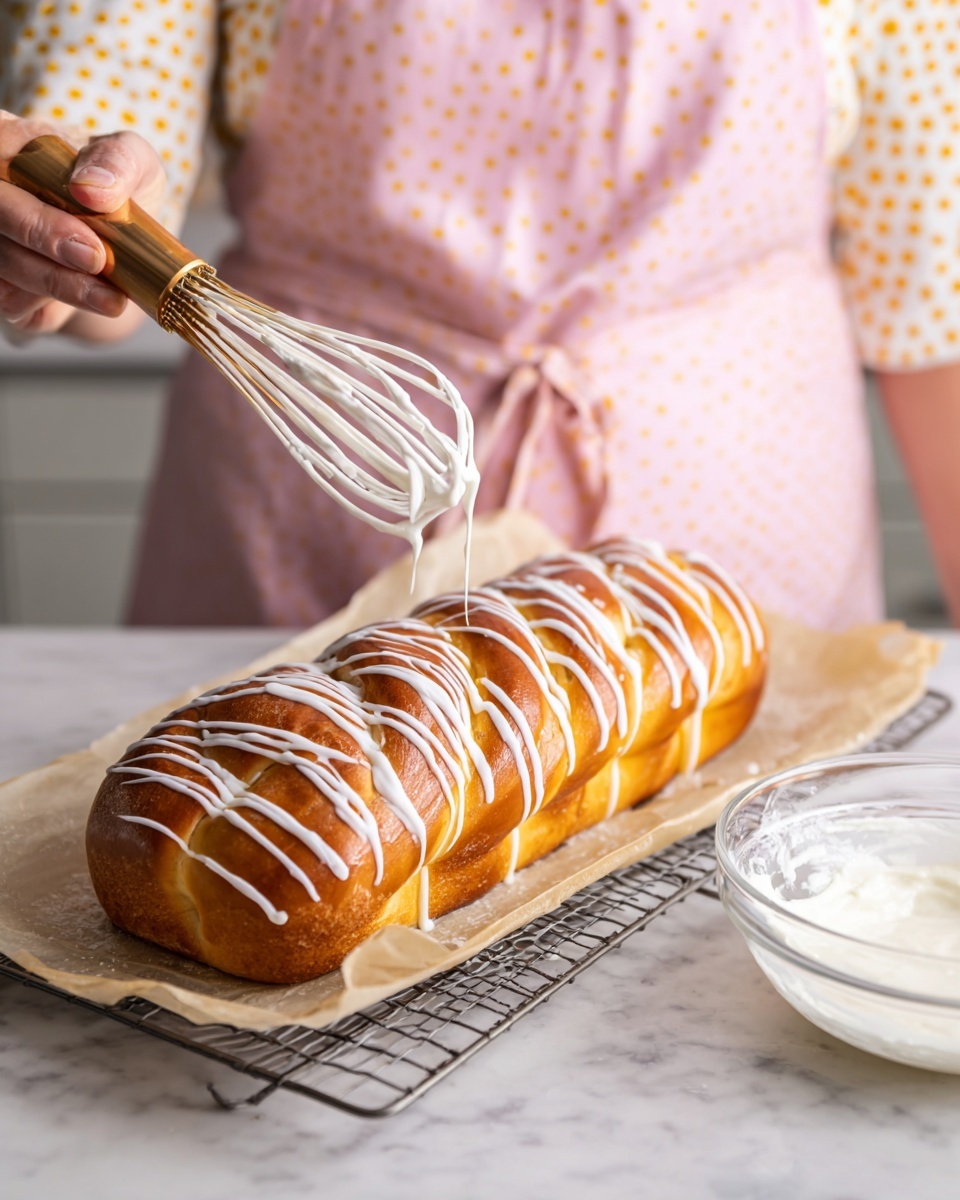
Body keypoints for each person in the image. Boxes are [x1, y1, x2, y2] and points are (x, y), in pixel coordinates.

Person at [1, 1, 958, 630]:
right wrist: (61, 227)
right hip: (304, 558)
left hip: (738, 585)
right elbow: (109, 104)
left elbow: (939, 307)